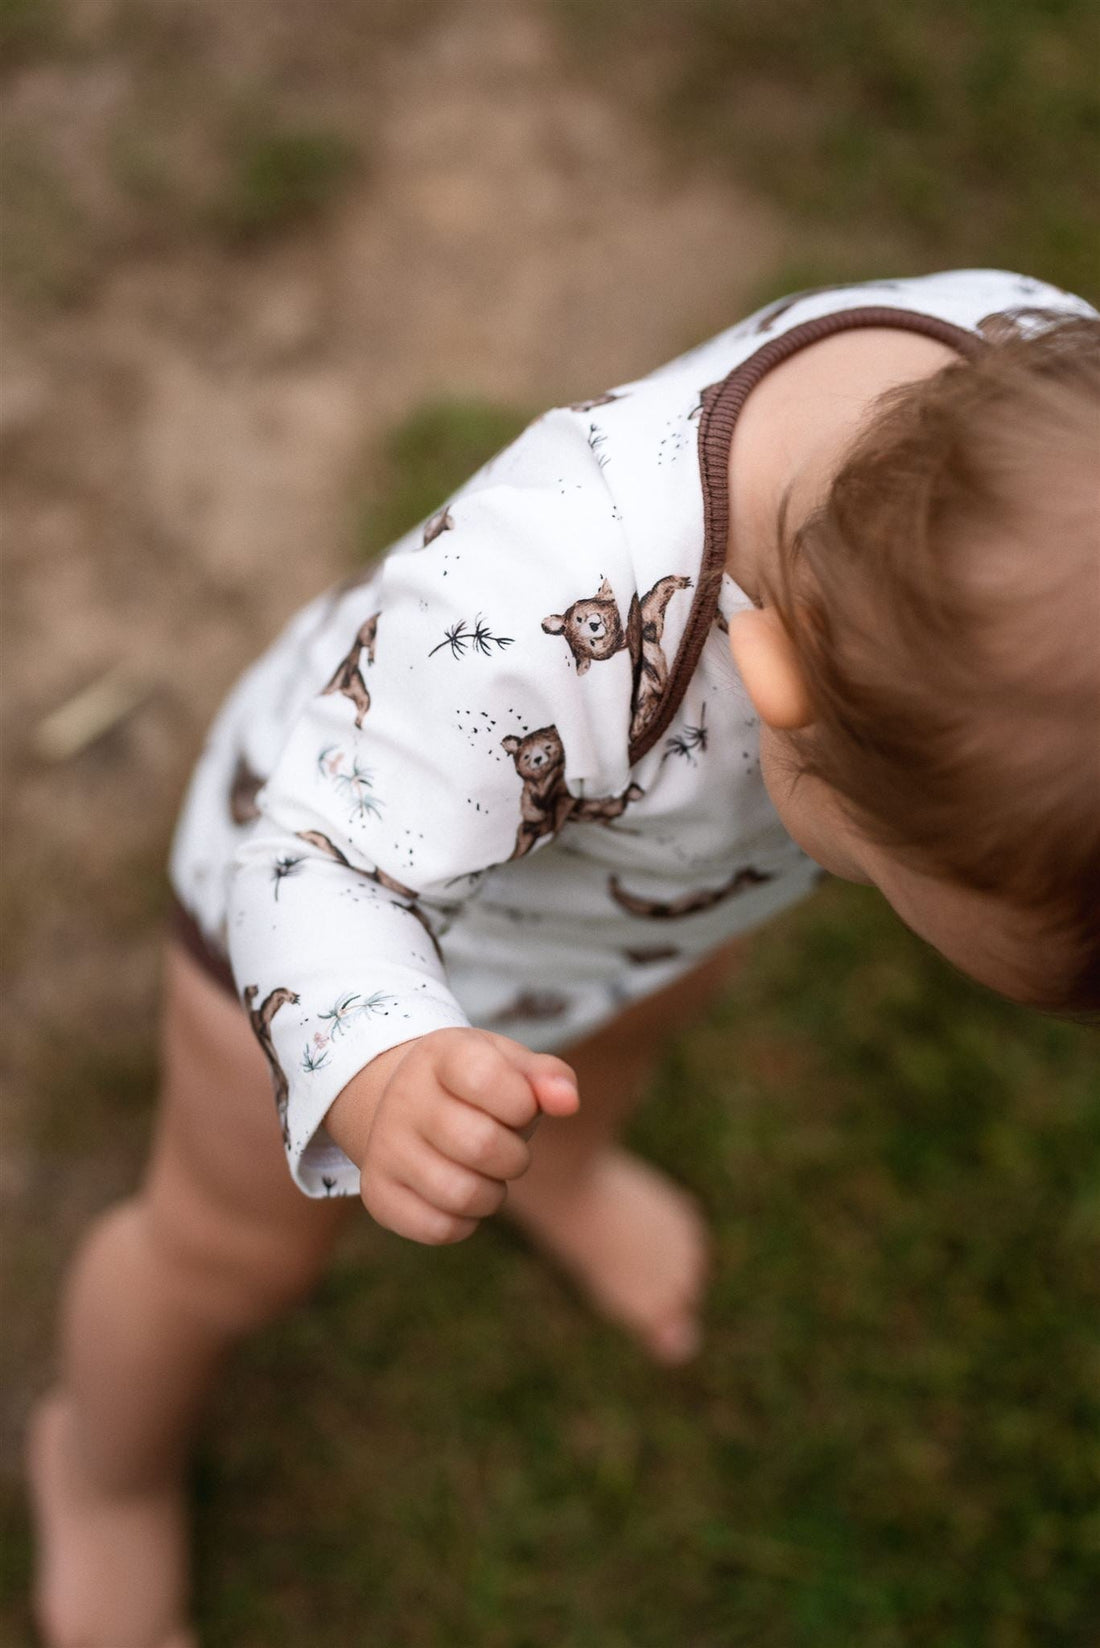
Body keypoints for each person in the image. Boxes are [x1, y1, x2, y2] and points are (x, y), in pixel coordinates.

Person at [27, 270, 1100, 1647]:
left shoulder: (1035, 422)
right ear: (788, 699)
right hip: (337, 894)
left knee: (644, 1009)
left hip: (628, 909)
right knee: (233, 1255)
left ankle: (569, 1167)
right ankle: (103, 1470)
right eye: (883, 876)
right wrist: (382, 1059)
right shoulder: (534, 615)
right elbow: (309, 859)